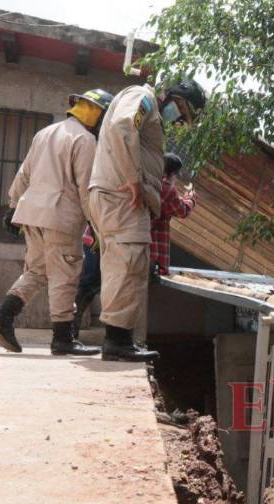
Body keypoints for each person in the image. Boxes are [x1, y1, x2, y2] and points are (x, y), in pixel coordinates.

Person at [0, 88, 114, 356]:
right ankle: (63, 339)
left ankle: (3, 318)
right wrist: (99, 229)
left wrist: (12, 206)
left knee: (36, 271)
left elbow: (24, 172)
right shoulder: (85, 140)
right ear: (97, 113)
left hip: (31, 214)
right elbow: (85, 190)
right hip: (61, 218)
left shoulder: (45, 133)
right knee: (65, 276)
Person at [88, 79, 206, 362]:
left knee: (124, 265)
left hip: (117, 198)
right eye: (181, 111)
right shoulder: (144, 98)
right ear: (173, 97)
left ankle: (120, 338)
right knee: (129, 263)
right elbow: (121, 126)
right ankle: (117, 341)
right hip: (122, 198)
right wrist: (133, 179)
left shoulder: (149, 108)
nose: (178, 120)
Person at [150, 153, 198, 276]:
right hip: (152, 248)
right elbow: (183, 211)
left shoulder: (153, 183)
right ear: (173, 174)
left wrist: (184, 198)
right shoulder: (168, 189)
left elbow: (170, 204)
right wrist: (191, 199)